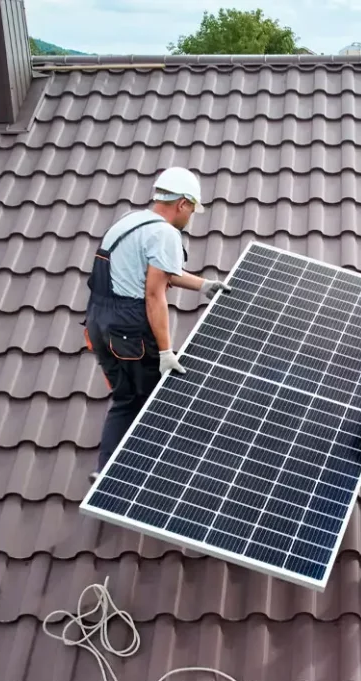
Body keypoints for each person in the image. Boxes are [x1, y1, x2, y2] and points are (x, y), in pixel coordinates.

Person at [84, 166, 230, 479]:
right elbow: (154, 294)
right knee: (157, 397)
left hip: (98, 323)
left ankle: (105, 469)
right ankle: (153, 478)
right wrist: (165, 352)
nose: (190, 217)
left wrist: (203, 285)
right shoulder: (165, 233)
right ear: (182, 204)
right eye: (192, 209)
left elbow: (158, 271)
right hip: (128, 327)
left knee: (126, 397)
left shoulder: (132, 221)